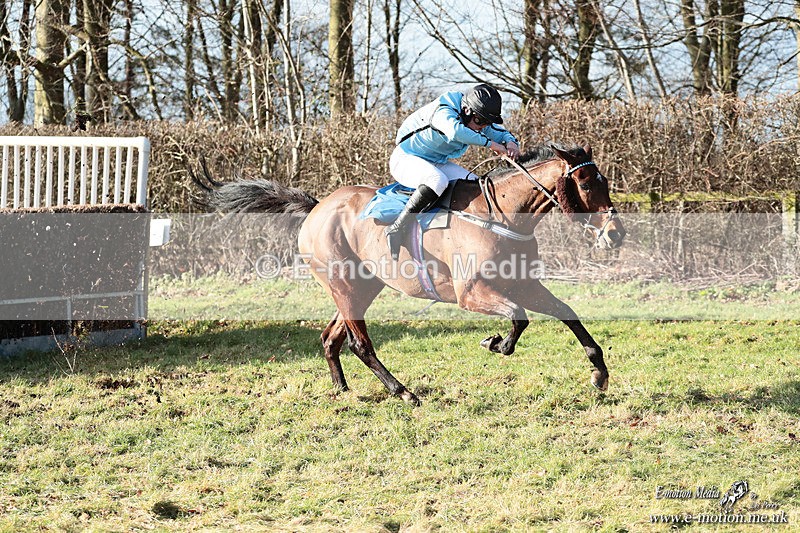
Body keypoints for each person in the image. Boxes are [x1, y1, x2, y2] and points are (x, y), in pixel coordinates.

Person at [385, 83, 520, 260]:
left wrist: (511, 143)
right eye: (480, 121)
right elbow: (455, 131)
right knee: (436, 181)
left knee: (475, 186)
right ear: (466, 110)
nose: (483, 127)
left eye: (487, 122)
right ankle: (397, 228)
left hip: (436, 162)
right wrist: (492, 145)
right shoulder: (444, 109)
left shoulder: (477, 117)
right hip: (406, 158)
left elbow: (500, 133)